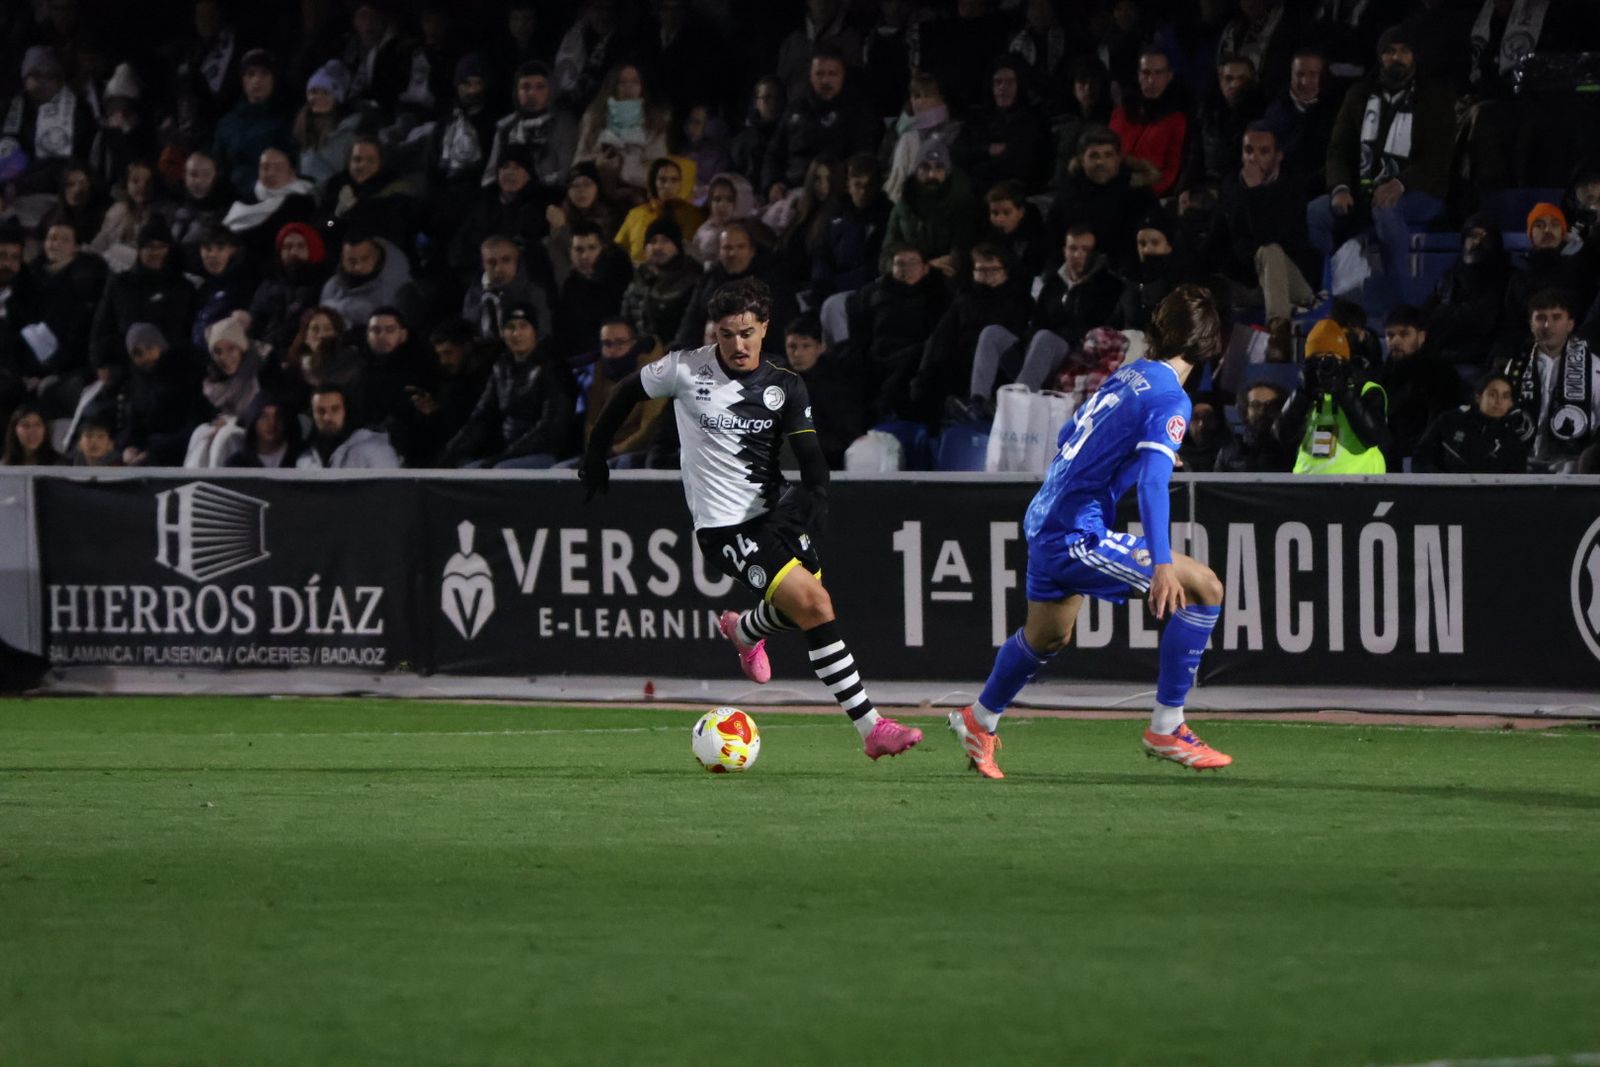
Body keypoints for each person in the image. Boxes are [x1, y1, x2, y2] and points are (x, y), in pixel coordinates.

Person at [579, 277, 924, 760]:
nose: (737, 345)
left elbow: (809, 451)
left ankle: (745, 631)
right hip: (724, 527)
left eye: (746, 333)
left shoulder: (784, 384)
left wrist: (818, 493)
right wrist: (595, 454)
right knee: (815, 605)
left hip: (776, 510)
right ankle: (872, 727)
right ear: (714, 332)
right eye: (726, 334)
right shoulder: (684, 369)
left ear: (764, 328)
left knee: (806, 601)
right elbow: (623, 392)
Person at [948, 284, 1232, 780]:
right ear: (1210, 347)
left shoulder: (1130, 374)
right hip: (1075, 531)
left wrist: (1133, 459)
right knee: (1205, 587)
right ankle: (1167, 726)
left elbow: (1070, 435)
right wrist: (1163, 563)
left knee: (1047, 636)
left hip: (1046, 515)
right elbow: (1153, 485)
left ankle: (979, 719)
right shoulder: (1172, 398)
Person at [1307, 25, 1454, 312]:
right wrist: (1340, 188)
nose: (1396, 58)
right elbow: (1339, 149)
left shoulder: (1434, 97)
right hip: (1363, 191)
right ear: (1380, 56)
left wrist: (1399, 184)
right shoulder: (1359, 94)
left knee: (1386, 211)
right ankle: (1322, 296)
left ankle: (1406, 306)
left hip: (1421, 192)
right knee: (1315, 213)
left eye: (1404, 51)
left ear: (1415, 55)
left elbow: (1437, 159)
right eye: (1389, 51)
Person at [442, 304, 577, 469]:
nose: (516, 333)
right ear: (502, 332)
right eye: (510, 327)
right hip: (507, 453)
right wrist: (450, 452)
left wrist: (503, 457)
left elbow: (550, 429)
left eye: (523, 326)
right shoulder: (501, 367)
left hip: (544, 453)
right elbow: (481, 417)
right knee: (464, 471)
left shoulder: (554, 368)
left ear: (534, 330)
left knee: (498, 471)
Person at [1501, 289, 1600, 473]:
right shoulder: (1516, 366)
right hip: (1522, 462)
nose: (1548, 325)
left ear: (1570, 324)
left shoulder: (1593, 366)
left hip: (1573, 465)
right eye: (1540, 318)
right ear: (1531, 324)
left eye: (1556, 317)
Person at [1277, 317, 1391, 475]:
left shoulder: (1366, 389)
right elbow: (1281, 434)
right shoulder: (1306, 391)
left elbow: (1375, 436)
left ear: (1344, 361)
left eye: (1331, 359)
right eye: (1317, 359)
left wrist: (1344, 392)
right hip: (1307, 483)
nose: (1323, 366)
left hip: (1358, 483)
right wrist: (1303, 394)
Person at [1411, 371, 1527, 474]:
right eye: (1492, 394)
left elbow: (1516, 477)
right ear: (1478, 398)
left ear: (1511, 403)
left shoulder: (1512, 434)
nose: (1498, 401)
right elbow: (1421, 459)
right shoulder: (1450, 421)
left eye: (1505, 396)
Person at [296, 383, 403, 469]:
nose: (327, 417)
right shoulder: (306, 461)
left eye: (335, 409)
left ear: (346, 411)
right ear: (313, 414)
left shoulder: (375, 450)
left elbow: (391, 489)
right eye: (320, 411)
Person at [1213, 380, 1295, 472]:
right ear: (1246, 410)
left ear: (1280, 410)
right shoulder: (1229, 452)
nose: (1262, 411)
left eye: (1271, 405)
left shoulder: (1293, 450)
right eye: (1255, 405)